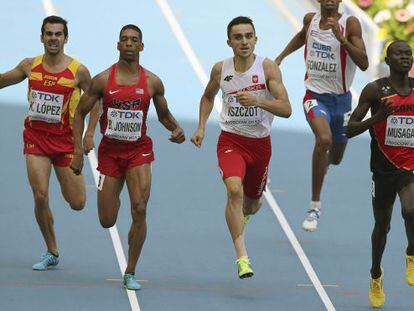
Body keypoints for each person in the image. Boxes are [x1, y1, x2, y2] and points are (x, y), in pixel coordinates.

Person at [70, 24, 185, 290]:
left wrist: (176, 128)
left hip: (138, 151)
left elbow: (164, 115)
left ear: (141, 46)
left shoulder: (152, 82)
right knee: (106, 220)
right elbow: (79, 113)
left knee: (140, 208)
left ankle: (130, 270)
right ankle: (115, 194)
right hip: (110, 155)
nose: (130, 44)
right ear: (118, 45)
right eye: (125, 40)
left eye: (134, 40)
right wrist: (78, 149)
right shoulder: (102, 80)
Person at [191, 16, 291, 279]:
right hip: (231, 140)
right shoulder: (220, 69)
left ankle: (242, 216)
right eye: (238, 37)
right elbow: (207, 97)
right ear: (229, 42)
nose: (244, 41)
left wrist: (259, 101)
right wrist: (201, 126)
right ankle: (242, 258)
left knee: (252, 205)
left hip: (259, 145)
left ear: (256, 39)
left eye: (249, 36)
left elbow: (286, 109)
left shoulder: (267, 68)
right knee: (233, 189)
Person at [0, 16, 97, 270]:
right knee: (40, 196)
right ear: (41, 37)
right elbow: (3, 80)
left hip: (65, 143)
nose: (53, 38)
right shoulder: (30, 65)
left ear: (66, 38)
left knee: (77, 203)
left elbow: (96, 101)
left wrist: (88, 134)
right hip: (36, 140)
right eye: (49, 34)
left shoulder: (78, 71)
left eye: (58, 34)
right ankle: (51, 250)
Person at [275, 0, 368, 231]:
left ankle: (323, 162)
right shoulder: (311, 20)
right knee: (324, 139)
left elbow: (364, 63)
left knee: (336, 158)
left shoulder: (350, 23)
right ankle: (314, 206)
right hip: (315, 96)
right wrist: (280, 58)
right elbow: (301, 36)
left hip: (342, 101)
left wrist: (342, 39)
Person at [347, 40, 414, 308]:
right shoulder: (375, 90)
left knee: (411, 210)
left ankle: (411, 253)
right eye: (399, 54)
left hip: (410, 166)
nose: (405, 57)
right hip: (383, 169)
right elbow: (350, 129)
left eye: (408, 53)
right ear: (388, 60)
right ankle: (376, 274)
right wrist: (378, 118)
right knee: (382, 226)